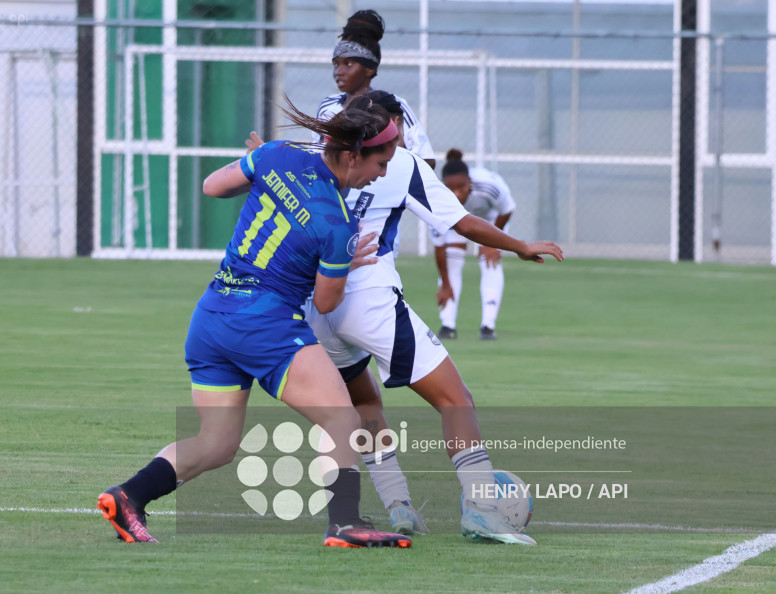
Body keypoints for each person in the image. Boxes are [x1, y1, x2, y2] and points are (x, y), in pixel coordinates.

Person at [95, 96, 410, 549]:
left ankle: (129, 496)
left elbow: (212, 186)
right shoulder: (339, 227)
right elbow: (324, 302)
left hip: (212, 317)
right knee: (342, 416)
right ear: (352, 154)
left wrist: (266, 173)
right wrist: (348, 265)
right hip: (263, 323)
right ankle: (344, 524)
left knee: (217, 443)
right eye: (380, 162)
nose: (381, 173)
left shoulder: (277, 154)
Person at [303, 91, 564, 545]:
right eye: (401, 127)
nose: (403, 137)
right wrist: (519, 245)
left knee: (365, 405)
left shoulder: (316, 155)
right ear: (387, 127)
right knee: (455, 399)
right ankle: (483, 509)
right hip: (368, 298)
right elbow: (460, 223)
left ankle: (400, 507)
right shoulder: (401, 165)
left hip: (317, 305)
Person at [313, 9, 436, 169]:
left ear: (369, 69)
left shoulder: (393, 105)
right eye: (336, 64)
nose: (339, 71)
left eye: (348, 64)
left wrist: (388, 168)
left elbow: (426, 159)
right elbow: (317, 154)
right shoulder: (328, 106)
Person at [431, 149, 517, 341]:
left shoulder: (489, 187)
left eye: (461, 187)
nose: (456, 193)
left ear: (470, 182)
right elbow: (439, 247)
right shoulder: (437, 200)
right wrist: (445, 284)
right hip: (458, 218)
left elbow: (507, 209)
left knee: (489, 260)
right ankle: (448, 325)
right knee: (452, 261)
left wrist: (492, 243)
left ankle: (488, 326)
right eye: (450, 188)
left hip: (491, 216)